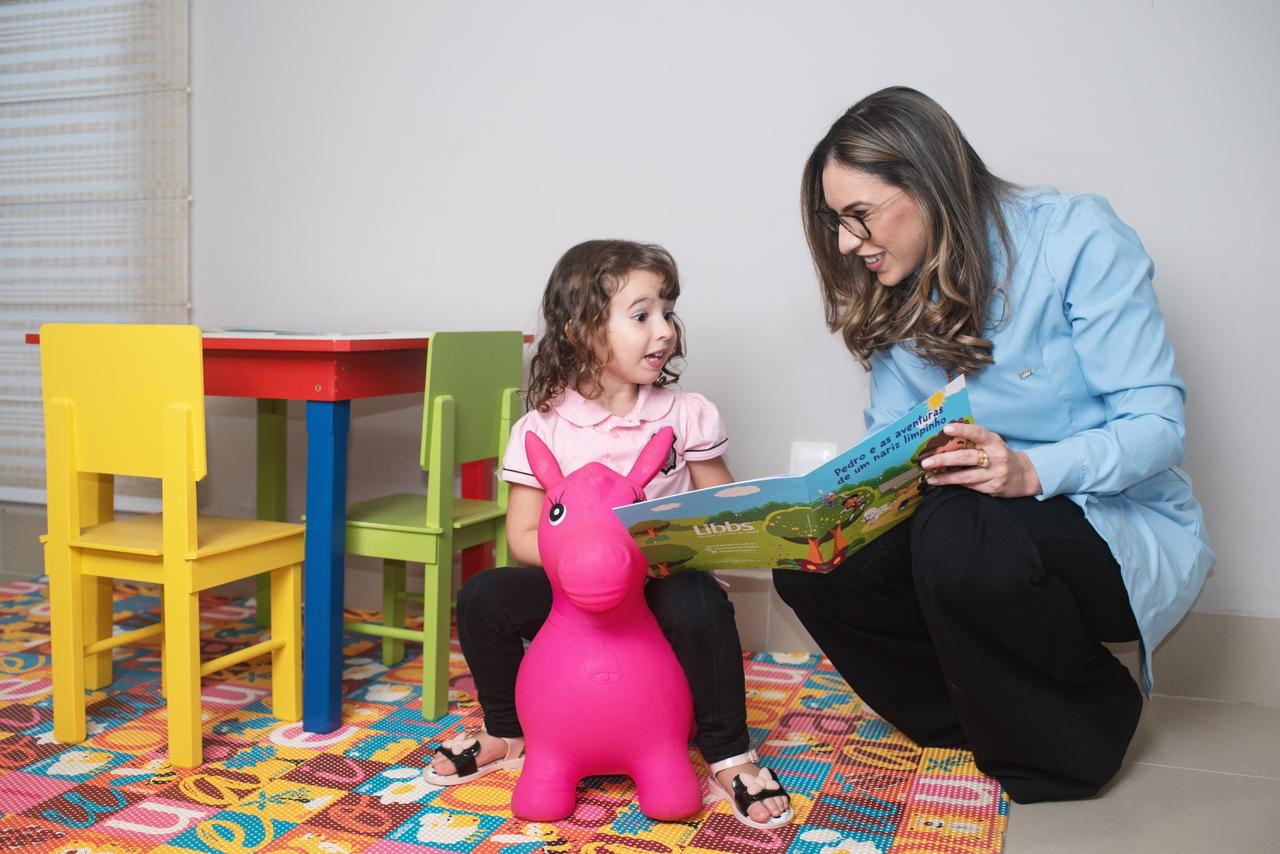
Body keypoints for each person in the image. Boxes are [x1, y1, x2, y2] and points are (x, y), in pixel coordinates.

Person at [773, 86, 1214, 804]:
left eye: (859, 215)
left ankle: (1078, 733)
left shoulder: (1076, 238)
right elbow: (893, 443)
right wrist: (824, 509)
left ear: (925, 183)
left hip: (1110, 521)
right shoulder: (895, 286)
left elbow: (1158, 427)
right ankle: (973, 720)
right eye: (836, 222)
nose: (847, 243)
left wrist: (1029, 470)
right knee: (814, 562)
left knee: (958, 524)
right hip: (970, 529)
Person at [427, 239, 793, 829]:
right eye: (642, 315)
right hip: (574, 595)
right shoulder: (542, 426)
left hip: (659, 585)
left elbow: (723, 513)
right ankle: (506, 730)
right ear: (580, 330)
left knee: (700, 603)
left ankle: (729, 754)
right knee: (483, 597)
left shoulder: (687, 414)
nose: (665, 330)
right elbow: (523, 535)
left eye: (667, 312)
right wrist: (584, 561)